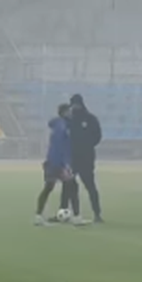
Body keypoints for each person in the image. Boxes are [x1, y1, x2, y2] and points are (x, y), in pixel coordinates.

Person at [36, 104, 84, 226]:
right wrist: (66, 164)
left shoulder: (57, 124)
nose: (71, 113)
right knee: (72, 187)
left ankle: (38, 216)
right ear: (64, 112)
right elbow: (63, 147)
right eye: (69, 111)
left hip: (51, 162)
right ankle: (77, 217)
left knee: (49, 188)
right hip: (60, 164)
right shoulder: (64, 127)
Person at [62, 94, 103, 222]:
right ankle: (64, 212)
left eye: (76, 104)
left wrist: (87, 145)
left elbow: (98, 136)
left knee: (90, 186)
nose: (74, 107)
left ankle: (97, 214)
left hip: (86, 158)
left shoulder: (90, 119)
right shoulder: (68, 120)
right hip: (72, 159)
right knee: (67, 186)